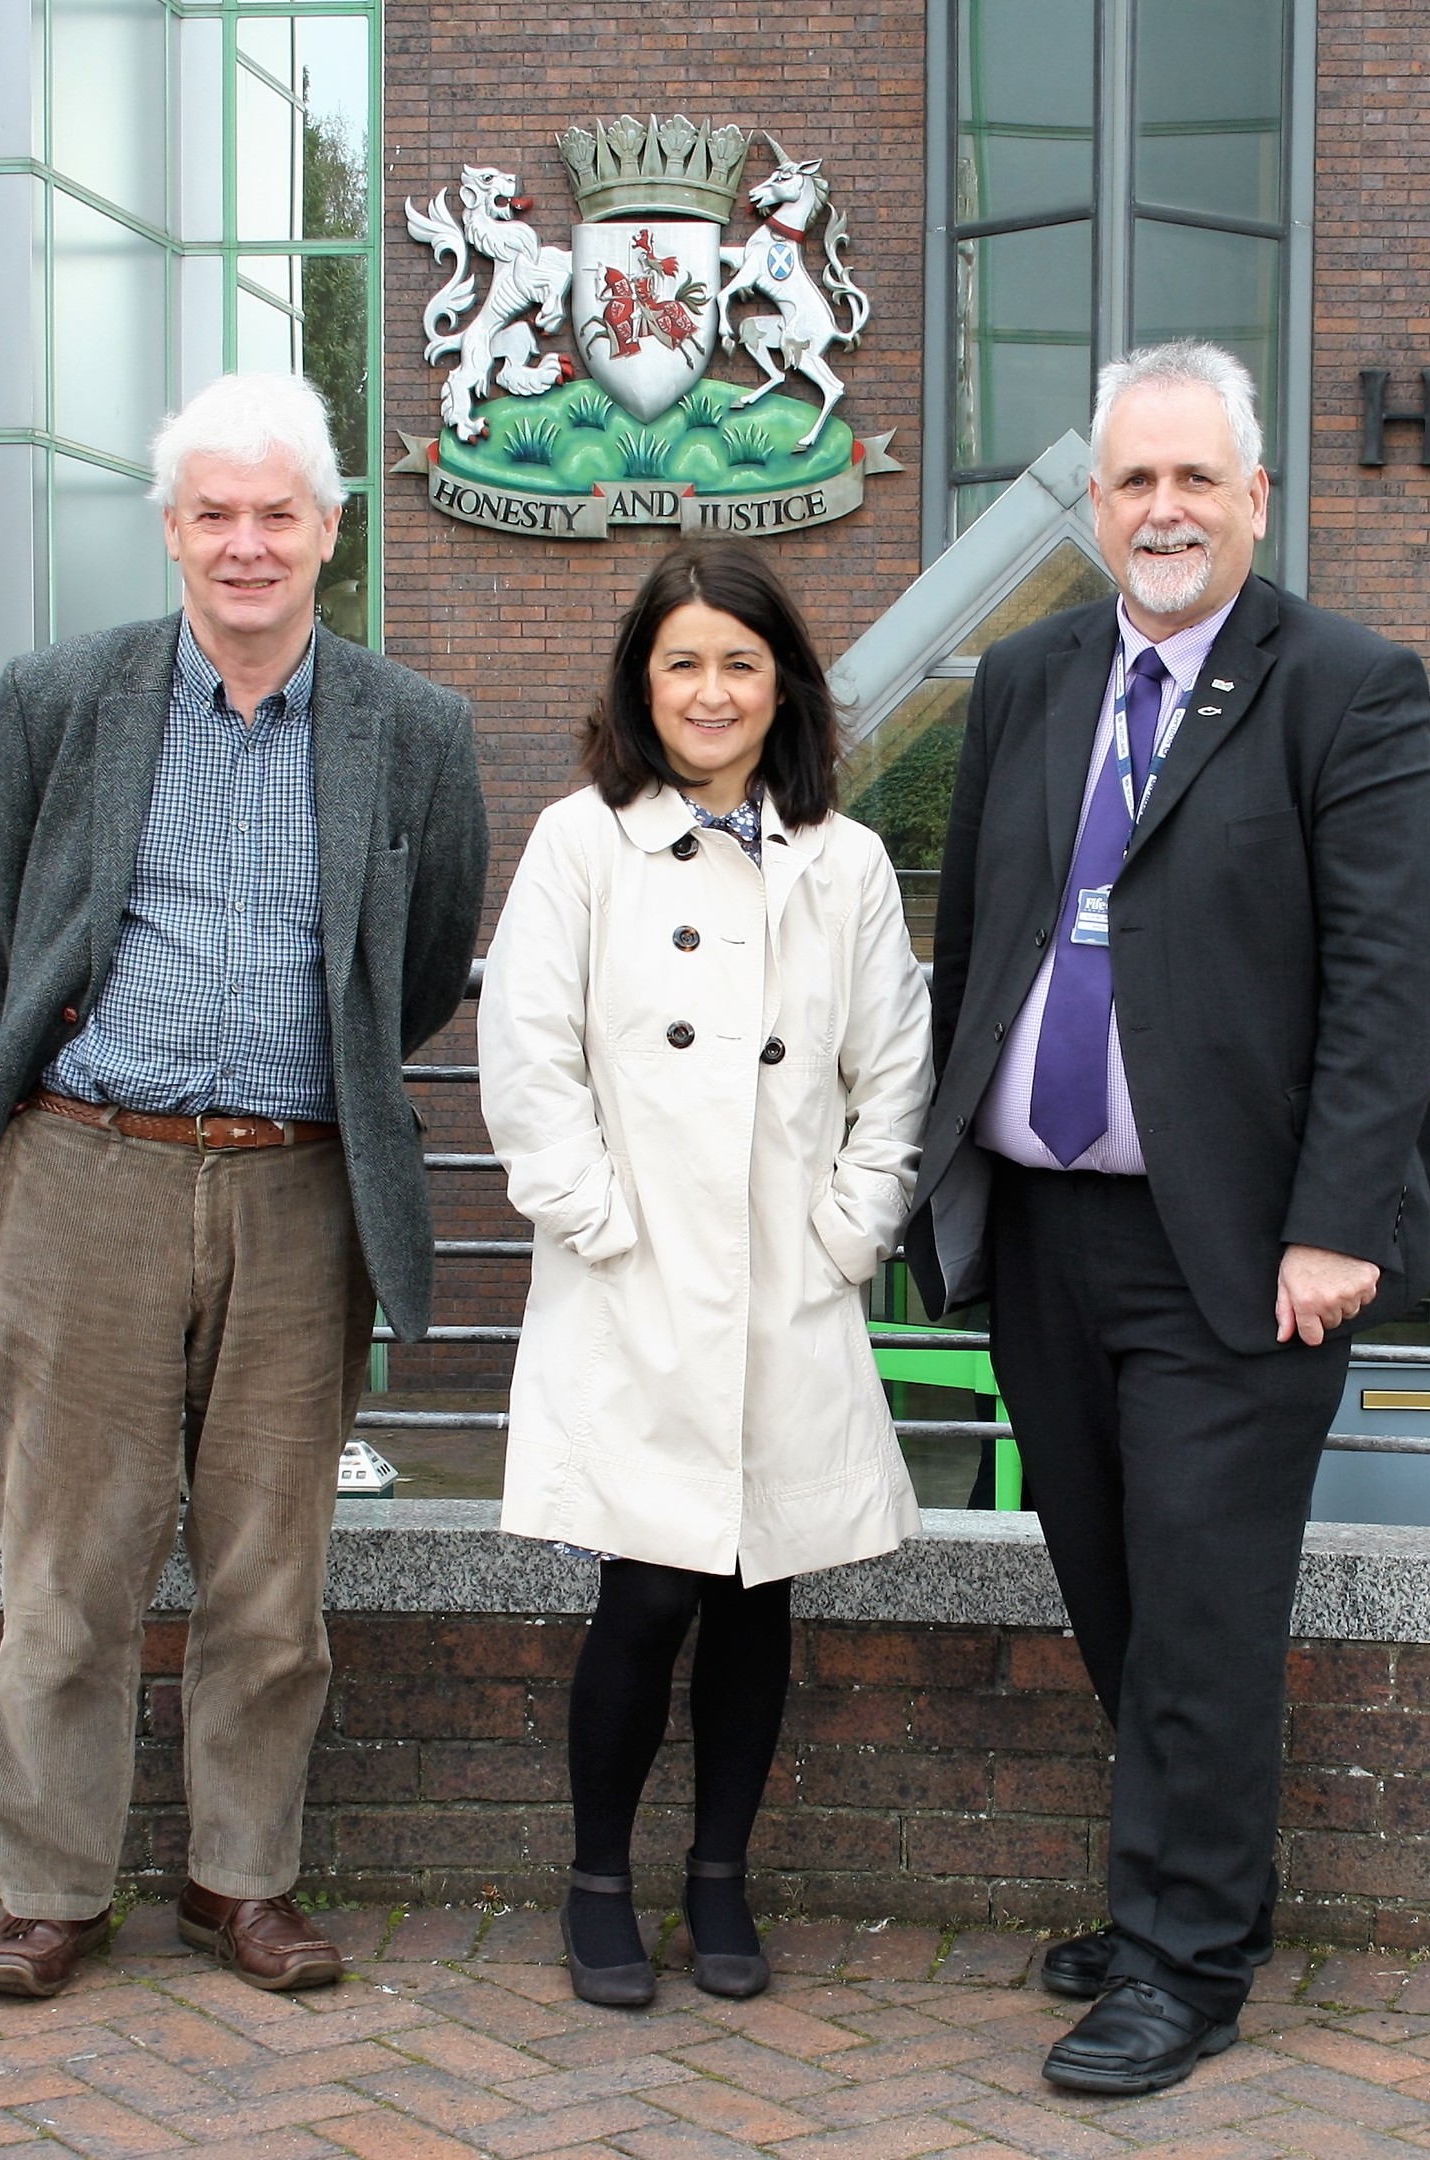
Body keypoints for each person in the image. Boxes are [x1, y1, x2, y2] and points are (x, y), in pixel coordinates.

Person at [907, 341, 1430, 2093]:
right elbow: (982, 937)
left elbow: (1390, 979)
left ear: (1254, 500)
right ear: (1094, 504)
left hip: (1241, 1252)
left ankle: (1184, 1966)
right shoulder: (1028, 676)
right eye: (1132, 481)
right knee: (1116, 1602)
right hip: (1048, 1234)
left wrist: (1337, 1219)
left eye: (1193, 480)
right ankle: (1187, 1890)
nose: (1161, 510)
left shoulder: (1345, 687)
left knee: (1206, 1618)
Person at [0, 371, 489, 2000]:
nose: (248, 544)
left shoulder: (416, 730)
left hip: (303, 1192)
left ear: (329, 532)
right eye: (216, 514)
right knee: (66, 1569)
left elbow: (426, 958)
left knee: (268, 1576)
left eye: (278, 514)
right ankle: (53, 1889)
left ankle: (240, 1881)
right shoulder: (58, 699)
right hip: (86, 1173)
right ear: (172, 530)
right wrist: (74, 1010)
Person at [480, 537, 933, 2008]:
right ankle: (597, 1879)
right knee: (649, 1588)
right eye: (682, 660)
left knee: (759, 1594)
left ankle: (721, 1881)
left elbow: (895, 1074)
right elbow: (526, 1057)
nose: (711, 689)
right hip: (634, 1281)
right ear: (642, 680)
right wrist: (593, 1218)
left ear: (780, 684)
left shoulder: (844, 862)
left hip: (787, 1288)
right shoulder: (579, 843)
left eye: (739, 661)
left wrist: (846, 1234)